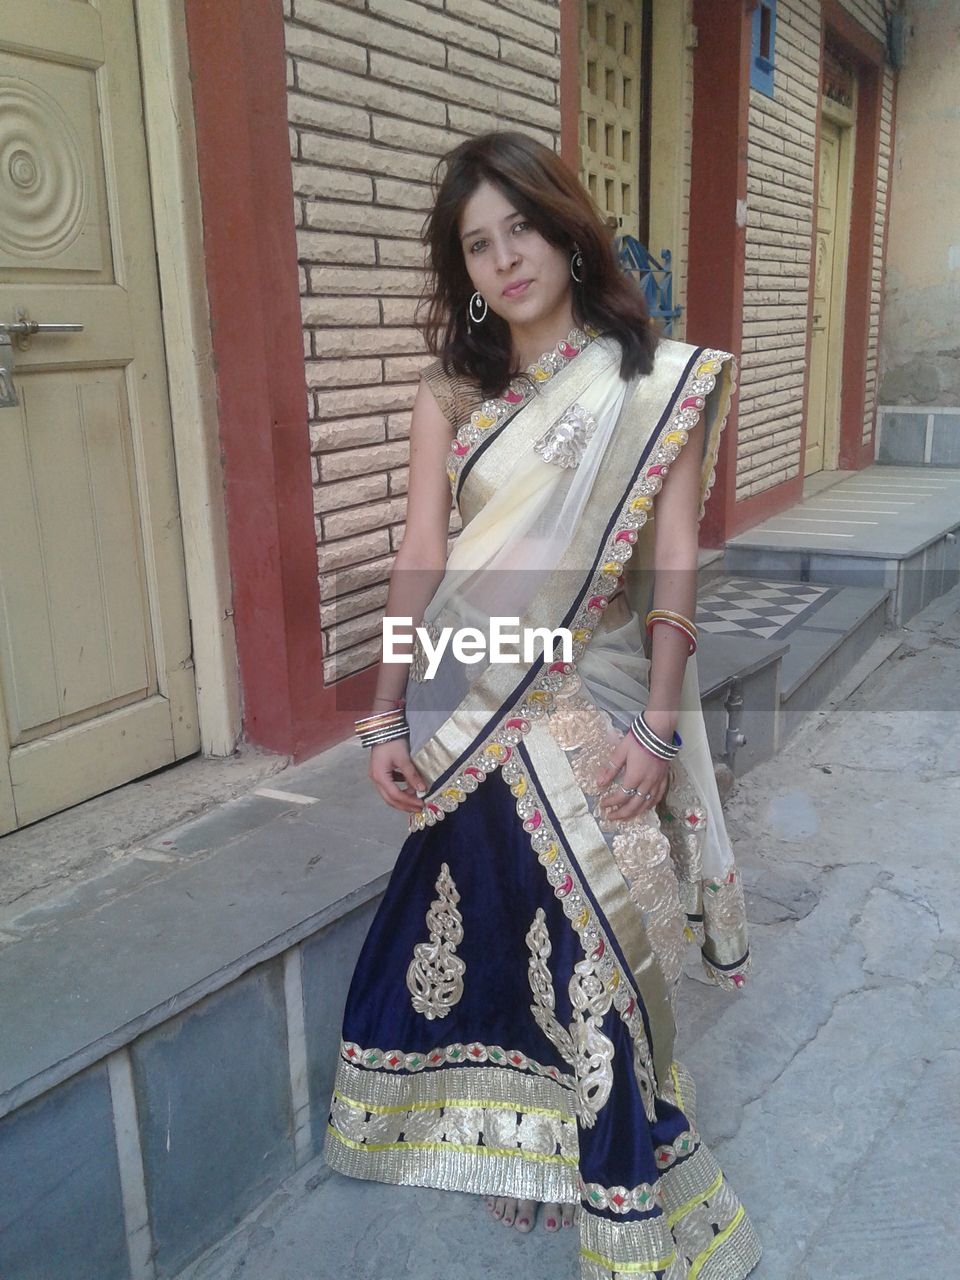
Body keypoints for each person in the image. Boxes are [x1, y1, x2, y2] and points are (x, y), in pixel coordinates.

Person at [325, 131, 762, 1280]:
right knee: (508, 917)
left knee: (604, 937)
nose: (506, 257)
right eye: (478, 243)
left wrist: (658, 725)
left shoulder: (647, 379)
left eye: (522, 225)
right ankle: (530, 1146)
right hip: (480, 689)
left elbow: (674, 568)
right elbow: (423, 550)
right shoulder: (450, 395)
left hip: (606, 692)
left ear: (567, 228)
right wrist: (382, 710)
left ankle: (616, 1176)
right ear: (461, 268)